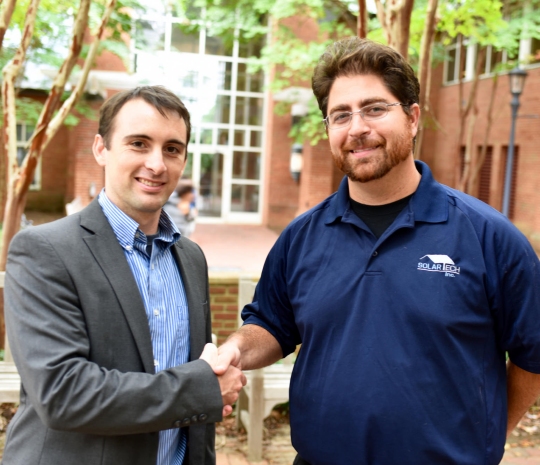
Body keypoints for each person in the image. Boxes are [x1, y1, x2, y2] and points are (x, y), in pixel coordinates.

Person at [215, 38, 540, 465]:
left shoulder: (489, 238)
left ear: (412, 117)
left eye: (374, 108)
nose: (357, 128)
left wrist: (486, 434)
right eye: (340, 115)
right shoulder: (301, 238)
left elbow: (532, 355)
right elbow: (273, 325)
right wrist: (235, 349)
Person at [3, 86, 246, 465]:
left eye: (172, 149)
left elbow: (195, 416)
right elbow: (63, 394)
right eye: (138, 143)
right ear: (102, 148)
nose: (157, 164)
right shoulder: (45, 251)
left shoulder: (190, 257)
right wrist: (203, 389)